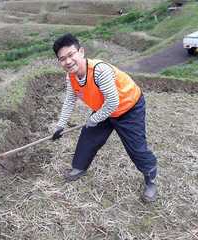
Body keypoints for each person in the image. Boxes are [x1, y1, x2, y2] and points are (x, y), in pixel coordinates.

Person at [51, 33, 158, 203]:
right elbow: (70, 100)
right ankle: (79, 167)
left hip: (128, 107)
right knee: (88, 137)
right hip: (104, 108)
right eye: (62, 59)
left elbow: (113, 102)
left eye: (71, 55)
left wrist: (94, 119)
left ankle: (151, 180)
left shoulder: (99, 70)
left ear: (81, 52)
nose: (68, 61)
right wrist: (60, 126)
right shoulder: (71, 76)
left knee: (136, 148)